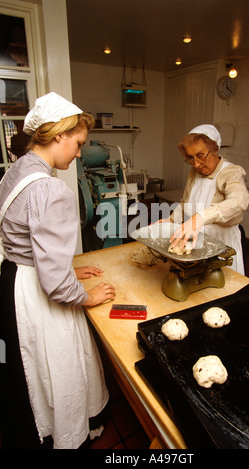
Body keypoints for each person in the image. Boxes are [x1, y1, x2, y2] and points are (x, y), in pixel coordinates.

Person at [0, 92, 116, 449]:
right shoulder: (50, 190)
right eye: (78, 143)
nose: (80, 153)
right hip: (37, 295)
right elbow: (55, 286)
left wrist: (65, 269)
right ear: (58, 136)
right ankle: (63, 434)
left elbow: (30, 243)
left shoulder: (15, 171)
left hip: (13, 281)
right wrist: (86, 296)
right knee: (58, 364)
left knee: (26, 367)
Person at [164, 124, 249, 275]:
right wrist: (171, 220)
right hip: (197, 240)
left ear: (215, 149)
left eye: (200, 155)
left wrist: (201, 217)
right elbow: (185, 203)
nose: (196, 164)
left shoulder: (231, 172)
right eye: (190, 158)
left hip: (222, 242)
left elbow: (239, 200)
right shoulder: (194, 173)